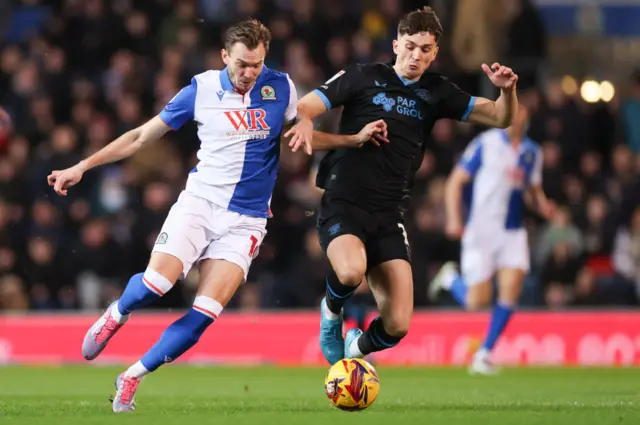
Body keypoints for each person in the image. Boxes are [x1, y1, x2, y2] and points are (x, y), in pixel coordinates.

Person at [48, 19, 304, 412]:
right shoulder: (200, 89)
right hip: (200, 204)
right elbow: (140, 136)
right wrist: (83, 165)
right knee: (157, 283)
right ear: (224, 56)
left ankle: (132, 376)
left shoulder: (281, 87)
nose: (249, 73)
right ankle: (117, 313)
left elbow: (304, 120)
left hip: (247, 220)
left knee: (205, 315)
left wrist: (319, 128)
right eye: (241, 64)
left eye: (256, 64)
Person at [285, 6, 521, 365]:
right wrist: (304, 121)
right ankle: (331, 312)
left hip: (389, 213)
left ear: (434, 53)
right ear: (396, 44)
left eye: (425, 49)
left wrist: (509, 92)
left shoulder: (436, 92)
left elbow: (502, 117)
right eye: (410, 46)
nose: (416, 55)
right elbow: (305, 105)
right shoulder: (362, 76)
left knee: (397, 325)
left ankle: (355, 351)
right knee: (350, 272)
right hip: (344, 202)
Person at [428, 104, 555, 375]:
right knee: (477, 301)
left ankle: (484, 353)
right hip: (482, 229)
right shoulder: (485, 143)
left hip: (513, 231)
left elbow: (532, 190)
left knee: (512, 288)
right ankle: (451, 279)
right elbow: (455, 181)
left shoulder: (532, 152)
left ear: (525, 117)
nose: (514, 117)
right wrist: (454, 218)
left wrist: (543, 206)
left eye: (519, 112)